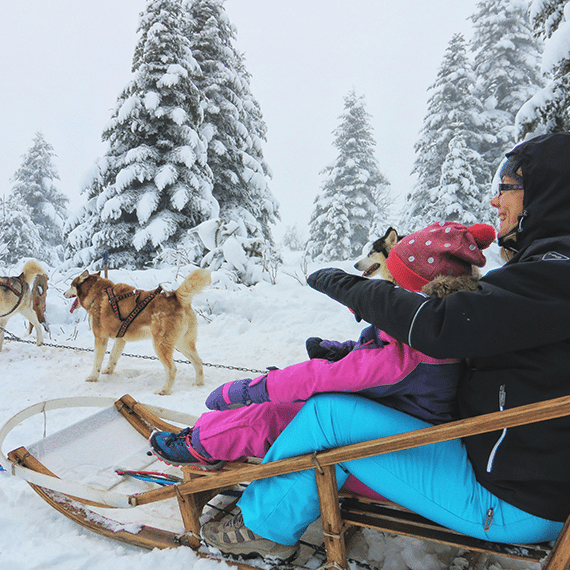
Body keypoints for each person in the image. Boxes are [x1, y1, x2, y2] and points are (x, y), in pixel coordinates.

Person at [199, 132, 570, 563]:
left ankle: (262, 528)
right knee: (339, 413)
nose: (495, 202)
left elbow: (440, 324)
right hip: (500, 470)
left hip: (508, 501)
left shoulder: (555, 273)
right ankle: (275, 507)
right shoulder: (547, 270)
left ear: (550, 192)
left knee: (326, 417)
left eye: (506, 187)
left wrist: (351, 288)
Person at [149, 222, 495, 494]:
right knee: (289, 400)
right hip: (398, 429)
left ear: (416, 290)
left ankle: (199, 446)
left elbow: (331, 376)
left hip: (392, 460)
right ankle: (209, 434)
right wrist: (341, 349)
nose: (388, 292)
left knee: (278, 414)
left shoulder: (417, 350)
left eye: (395, 283)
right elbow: (370, 358)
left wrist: (247, 389)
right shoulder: (431, 332)